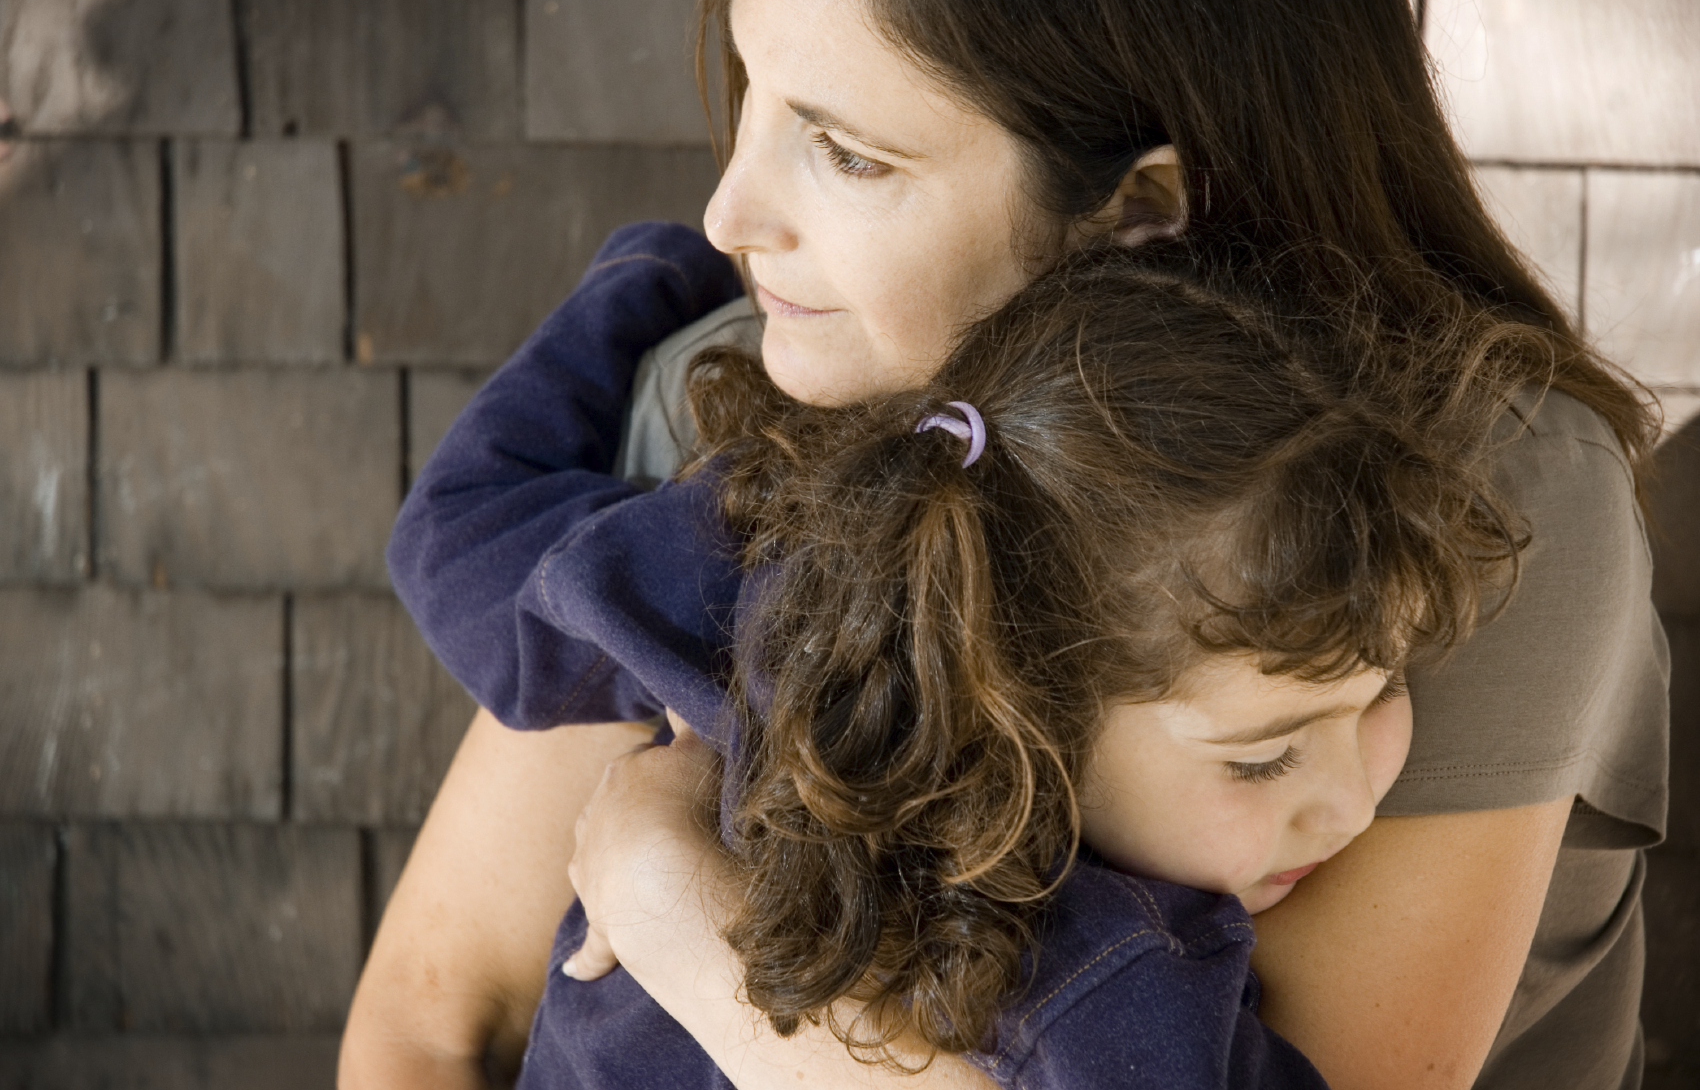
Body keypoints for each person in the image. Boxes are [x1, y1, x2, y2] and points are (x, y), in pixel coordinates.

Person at [340, 0, 1666, 1087]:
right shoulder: (774, 386)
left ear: (1134, 214)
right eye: (757, 98)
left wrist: (666, 891)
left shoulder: (1462, 490)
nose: (729, 218)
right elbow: (437, 1011)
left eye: (847, 151)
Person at [401, 221, 1523, 1088]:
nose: (1348, 805)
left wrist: (648, 276)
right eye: (1261, 758)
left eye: (1382, 692)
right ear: (1019, 701)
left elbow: (453, 542)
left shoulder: (734, 595)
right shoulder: (1112, 985)